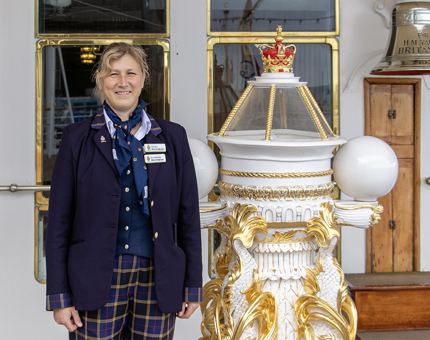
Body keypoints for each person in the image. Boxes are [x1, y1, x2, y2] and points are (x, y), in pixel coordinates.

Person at [45, 42, 202, 340]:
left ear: (143, 78)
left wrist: (192, 285)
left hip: (159, 278)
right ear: (101, 81)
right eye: (113, 74)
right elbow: (58, 224)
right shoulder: (76, 138)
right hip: (94, 278)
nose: (122, 82)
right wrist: (59, 297)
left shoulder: (172, 136)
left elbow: (188, 215)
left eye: (131, 73)